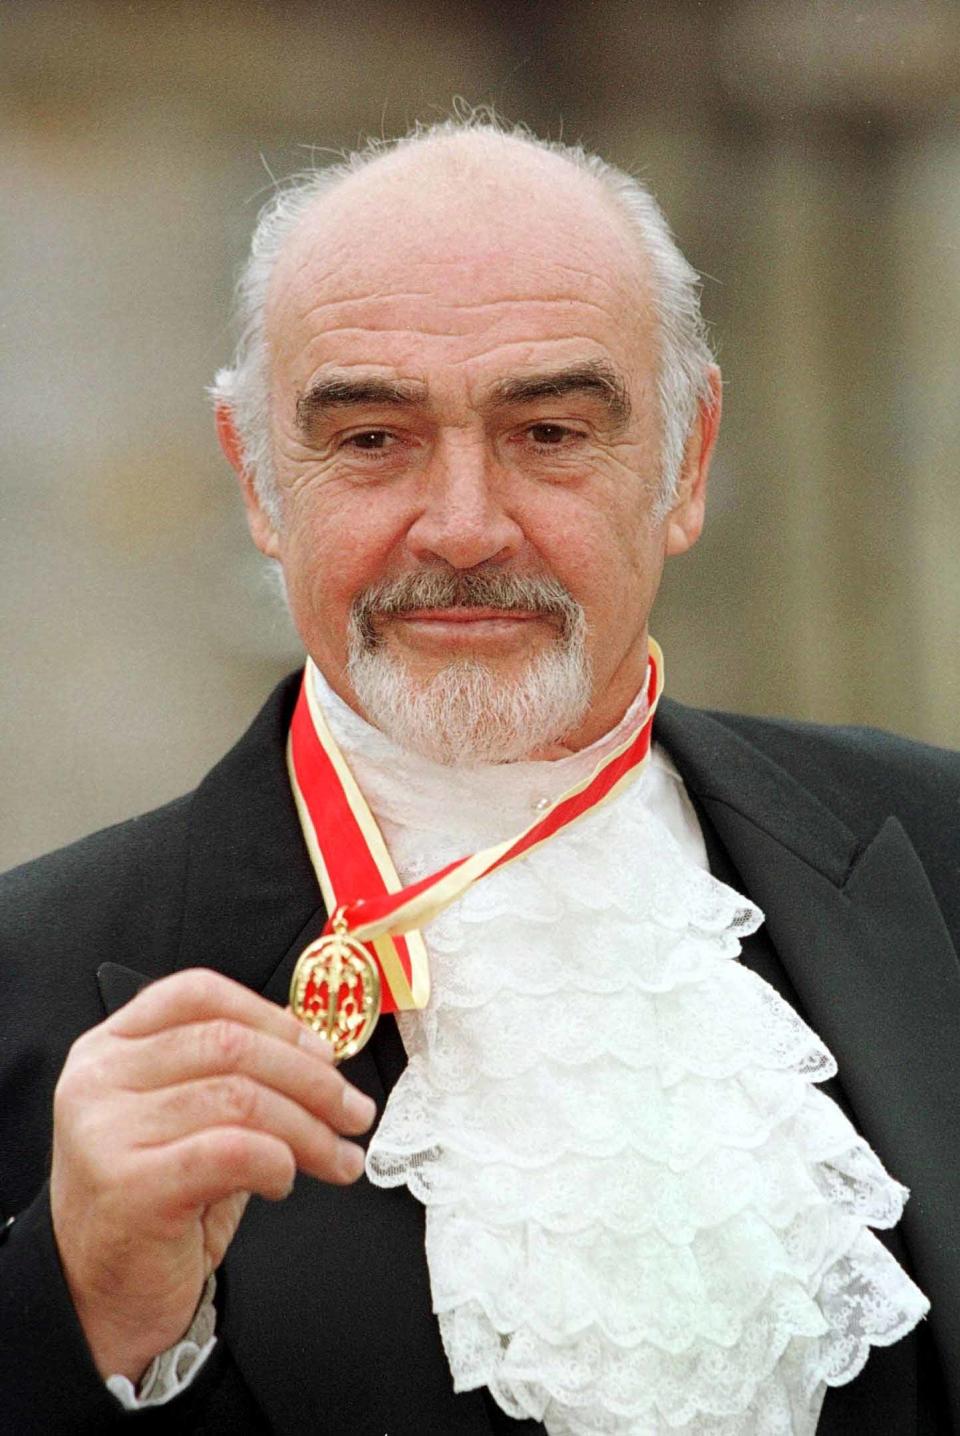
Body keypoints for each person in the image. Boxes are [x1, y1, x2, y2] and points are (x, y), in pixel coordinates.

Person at [0, 118, 957, 1436]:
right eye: (373, 440)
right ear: (258, 480)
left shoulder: (939, 847)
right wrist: (79, 1317)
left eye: (550, 431)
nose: (462, 527)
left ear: (685, 461)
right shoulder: (28, 981)